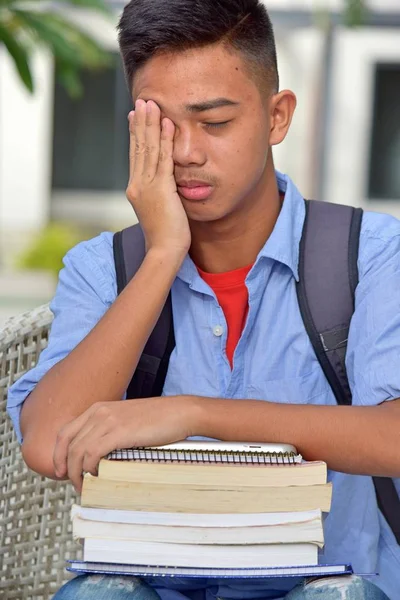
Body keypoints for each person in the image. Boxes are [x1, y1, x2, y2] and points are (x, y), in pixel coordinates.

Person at [6, 0, 400, 598]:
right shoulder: (104, 268)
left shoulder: (370, 255)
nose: (186, 151)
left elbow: (391, 439)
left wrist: (193, 414)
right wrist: (163, 254)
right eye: (160, 126)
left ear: (277, 117)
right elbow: (47, 441)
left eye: (214, 122)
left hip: (328, 583)